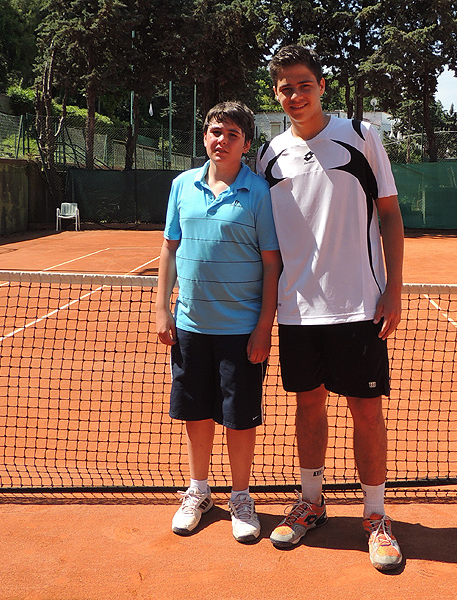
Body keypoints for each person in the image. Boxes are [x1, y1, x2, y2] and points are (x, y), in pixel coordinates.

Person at [256, 44, 405, 571]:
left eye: (304, 84)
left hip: (359, 304)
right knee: (308, 406)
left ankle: (376, 516)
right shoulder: (269, 154)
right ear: (276, 95)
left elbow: (389, 214)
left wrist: (394, 287)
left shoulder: (361, 136)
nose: (295, 95)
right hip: (297, 310)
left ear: (321, 86)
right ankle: (311, 501)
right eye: (285, 88)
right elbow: (267, 239)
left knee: (366, 410)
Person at [155, 101, 281, 543]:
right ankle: (199, 491)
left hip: (241, 331)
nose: (221, 140)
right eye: (214, 131)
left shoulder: (259, 192)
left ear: (246, 144)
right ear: (204, 136)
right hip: (190, 326)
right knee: (196, 413)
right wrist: (162, 308)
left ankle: (241, 497)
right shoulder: (181, 186)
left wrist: (264, 326)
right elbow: (170, 248)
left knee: (239, 419)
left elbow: (272, 263)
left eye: (231, 134)